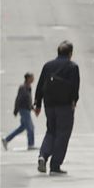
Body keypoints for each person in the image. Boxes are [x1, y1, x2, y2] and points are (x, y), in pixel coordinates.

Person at [34, 41, 80, 175]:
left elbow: (40, 85)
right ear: (70, 53)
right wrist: (74, 100)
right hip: (65, 105)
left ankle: (43, 155)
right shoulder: (72, 67)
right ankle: (55, 165)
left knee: (51, 131)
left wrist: (38, 104)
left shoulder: (48, 66)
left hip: (49, 105)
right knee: (63, 134)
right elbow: (75, 86)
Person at [2, 73, 35, 151]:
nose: (33, 79)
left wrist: (32, 108)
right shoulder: (23, 87)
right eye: (32, 78)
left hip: (26, 109)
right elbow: (19, 99)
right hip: (23, 110)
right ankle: (31, 145)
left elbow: (28, 100)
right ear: (28, 78)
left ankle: (6, 140)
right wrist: (16, 109)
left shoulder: (28, 87)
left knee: (22, 128)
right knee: (30, 128)